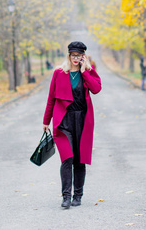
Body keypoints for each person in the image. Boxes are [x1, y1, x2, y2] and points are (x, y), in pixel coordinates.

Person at [42, 41, 102, 209]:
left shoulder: (88, 72)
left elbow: (96, 89)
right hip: (64, 121)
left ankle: (78, 195)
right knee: (67, 158)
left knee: (80, 160)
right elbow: (51, 99)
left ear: (84, 56)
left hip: (83, 120)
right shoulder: (59, 73)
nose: (76, 58)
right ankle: (66, 196)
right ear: (69, 55)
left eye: (79, 56)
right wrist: (46, 121)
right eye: (73, 55)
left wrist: (84, 73)